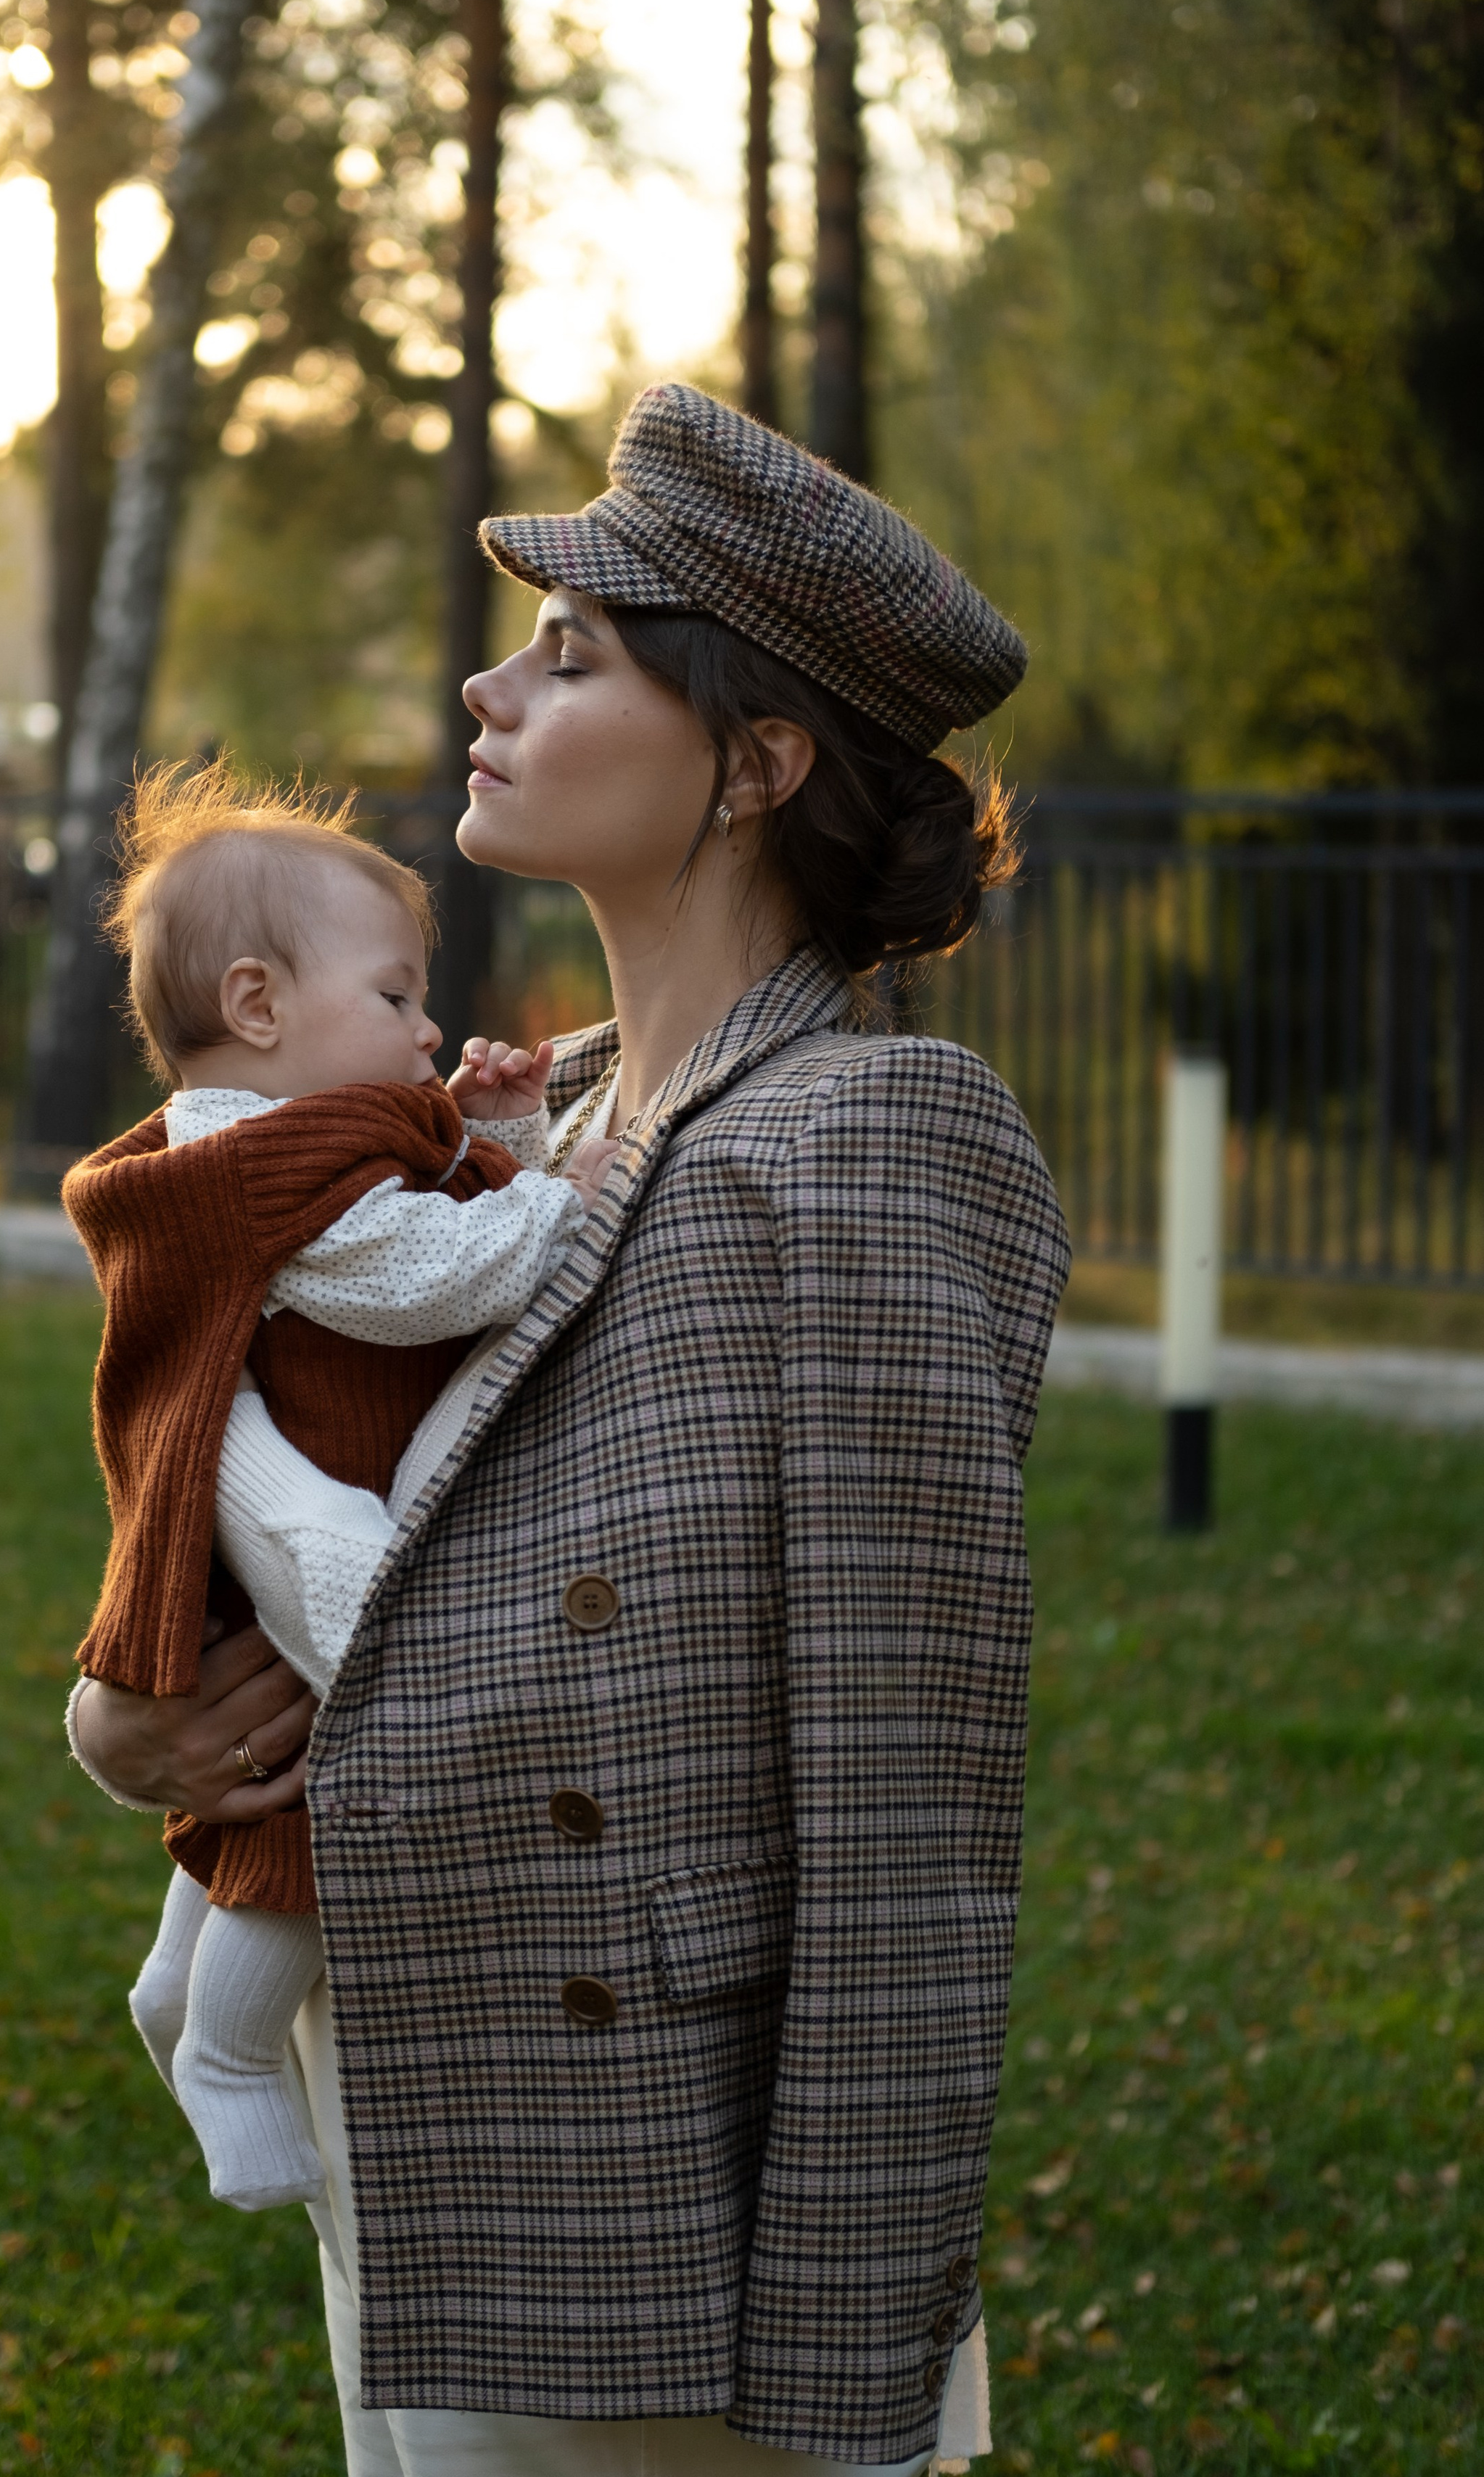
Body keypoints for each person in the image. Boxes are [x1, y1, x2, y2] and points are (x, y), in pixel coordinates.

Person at [70, 383, 1071, 2476]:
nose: (485, 675)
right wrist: (130, 1723)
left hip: (680, 2265)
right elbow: (344, 1509)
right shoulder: (513, 1131)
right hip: (429, 2127)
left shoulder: (869, 1132)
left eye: (573, 651)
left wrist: (848, 2375)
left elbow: (906, 1825)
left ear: (758, 763)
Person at [61, 765, 614, 2219]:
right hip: (321, 1555)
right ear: (255, 1007)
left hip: (256, 1541)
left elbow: (427, 1234)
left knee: (240, 1815)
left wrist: (507, 1141)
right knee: (308, 1813)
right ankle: (231, 2054)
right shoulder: (270, 1169)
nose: (427, 1030)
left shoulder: (250, 1145)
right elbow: (443, 1279)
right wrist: (573, 1190)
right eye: (393, 999)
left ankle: (174, 1999)